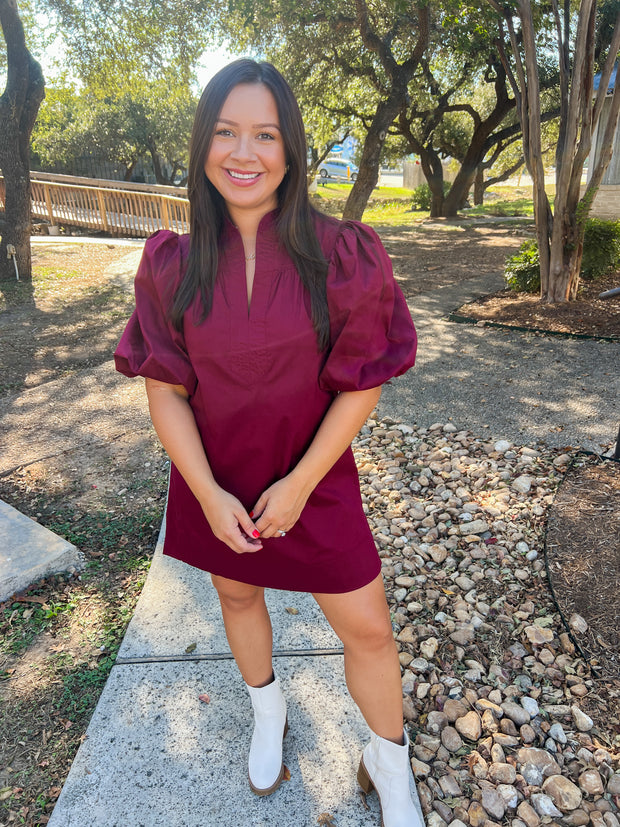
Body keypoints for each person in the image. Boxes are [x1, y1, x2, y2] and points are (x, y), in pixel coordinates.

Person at [114, 59, 423, 827]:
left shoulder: (342, 255)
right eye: (225, 132)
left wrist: (298, 483)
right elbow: (164, 387)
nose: (242, 152)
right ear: (202, 145)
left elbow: (362, 383)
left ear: (290, 150)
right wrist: (208, 494)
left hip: (313, 483)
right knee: (238, 593)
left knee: (369, 630)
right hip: (213, 482)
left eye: (264, 133)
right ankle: (267, 712)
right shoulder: (171, 265)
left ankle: (390, 766)